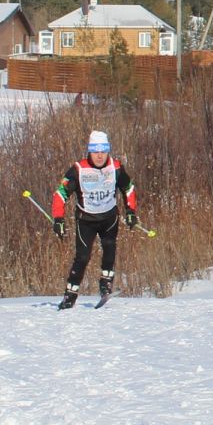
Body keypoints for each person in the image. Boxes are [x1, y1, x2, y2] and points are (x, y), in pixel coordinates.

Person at [49, 129, 139, 308]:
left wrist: (131, 211)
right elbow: (60, 194)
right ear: (90, 151)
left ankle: (106, 286)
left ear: (108, 151)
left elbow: (128, 188)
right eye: (96, 152)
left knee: (109, 248)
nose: (100, 156)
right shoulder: (78, 169)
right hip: (86, 220)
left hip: (109, 217)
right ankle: (69, 296)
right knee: (82, 257)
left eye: (103, 151)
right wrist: (58, 219)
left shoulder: (115, 167)